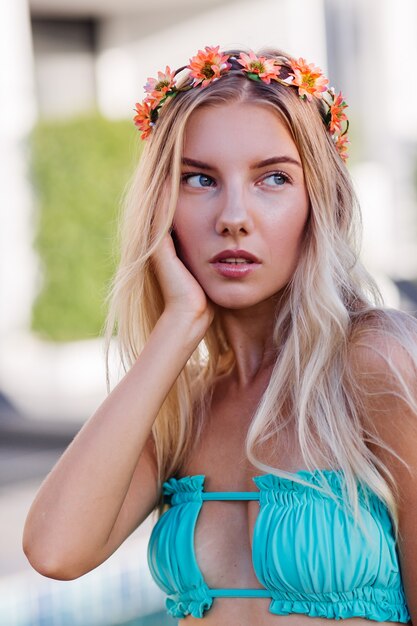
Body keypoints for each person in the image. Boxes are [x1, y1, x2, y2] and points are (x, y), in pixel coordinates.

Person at [23, 45, 417, 625]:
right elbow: (55, 551)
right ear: (161, 207)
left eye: (273, 178)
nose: (233, 215)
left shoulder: (374, 362)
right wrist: (177, 327)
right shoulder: (181, 407)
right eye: (199, 179)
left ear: (320, 202)